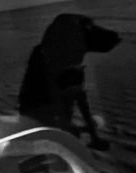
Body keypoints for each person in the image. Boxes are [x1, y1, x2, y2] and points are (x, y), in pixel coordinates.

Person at [17, 12, 121, 148]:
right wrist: (92, 137)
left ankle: (76, 131)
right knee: (87, 125)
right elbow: (79, 101)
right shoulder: (65, 68)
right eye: (87, 29)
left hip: (38, 121)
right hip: (47, 125)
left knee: (89, 121)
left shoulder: (42, 54)